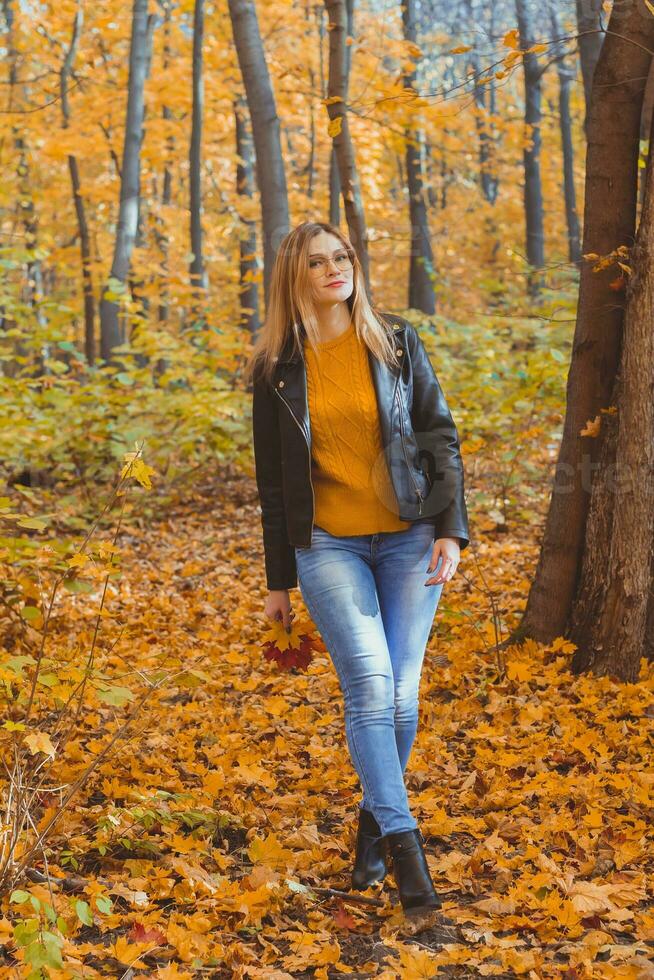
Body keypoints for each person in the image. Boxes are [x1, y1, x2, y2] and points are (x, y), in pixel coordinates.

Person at [245, 220, 469, 915]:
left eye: (341, 257)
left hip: (409, 537)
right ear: (295, 276)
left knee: (402, 695)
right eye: (317, 262)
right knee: (371, 686)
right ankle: (407, 856)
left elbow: (440, 436)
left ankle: (373, 821)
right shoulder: (277, 367)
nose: (334, 270)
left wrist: (451, 530)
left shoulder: (395, 341)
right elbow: (273, 483)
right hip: (329, 545)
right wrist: (277, 579)